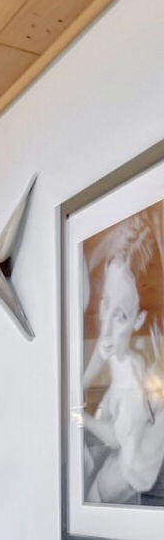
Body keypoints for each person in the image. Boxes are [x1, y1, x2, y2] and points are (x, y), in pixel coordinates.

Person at [80, 212, 164, 504]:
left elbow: (116, 437)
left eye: (122, 315)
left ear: (139, 320)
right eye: (105, 303)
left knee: (88, 492)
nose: (106, 329)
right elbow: (104, 351)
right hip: (125, 449)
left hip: (130, 474)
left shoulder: (133, 376)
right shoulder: (122, 351)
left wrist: (79, 419)